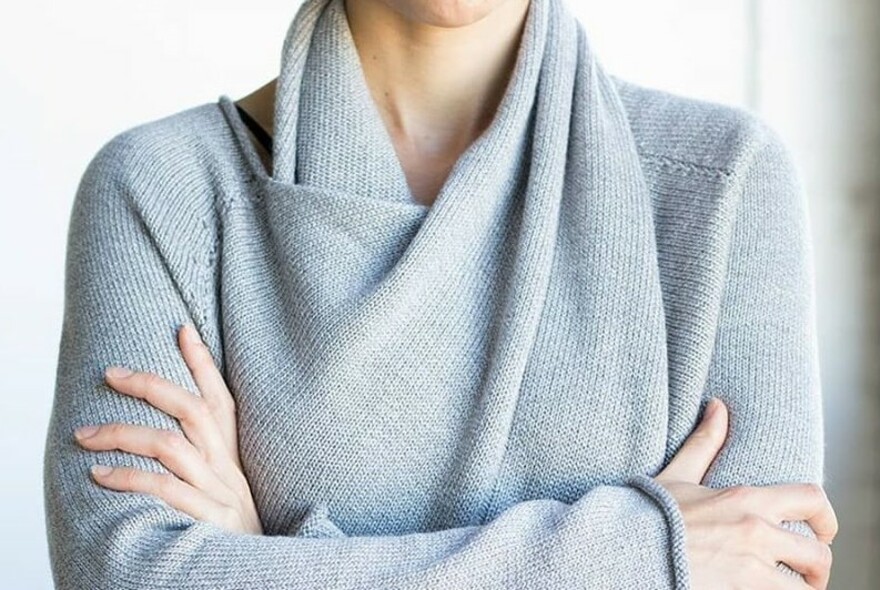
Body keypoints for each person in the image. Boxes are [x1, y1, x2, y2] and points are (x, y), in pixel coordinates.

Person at [43, 0, 838, 588]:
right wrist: (640, 554)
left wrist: (268, 562)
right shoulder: (163, 191)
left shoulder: (722, 185)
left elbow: (766, 572)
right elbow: (126, 577)